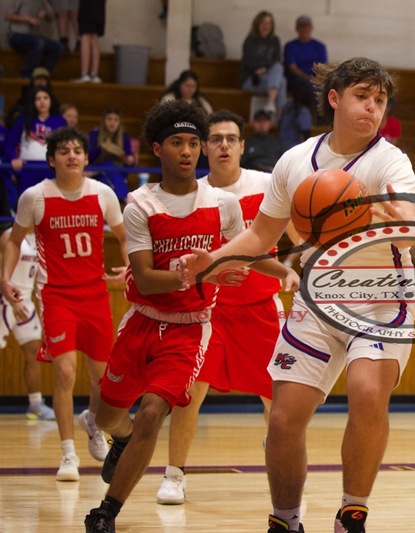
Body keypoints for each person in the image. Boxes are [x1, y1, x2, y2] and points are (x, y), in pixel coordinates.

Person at [178, 56, 415, 533]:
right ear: (334, 99)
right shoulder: (295, 161)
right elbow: (261, 235)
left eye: (380, 100)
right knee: (284, 419)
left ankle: (352, 512)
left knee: (367, 393)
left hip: (382, 297)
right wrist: (214, 259)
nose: (372, 108)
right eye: (362, 97)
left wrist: (398, 221)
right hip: (319, 295)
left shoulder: (391, 160)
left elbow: (409, 237)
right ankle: (285, 520)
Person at [83, 100, 244, 532]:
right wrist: (199, 270)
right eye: (178, 142)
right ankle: (119, 435)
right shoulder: (139, 204)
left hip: (189, 330)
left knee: (153, 411)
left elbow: (240, 253)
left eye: (194, 142)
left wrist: (262, 267)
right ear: (158, 148)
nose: (188, 151)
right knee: (106, 416)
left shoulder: (224, 204)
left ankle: (106, 511)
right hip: (141, 320)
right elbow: (144, 278)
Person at [155, 109, 298, 506]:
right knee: (189, 393)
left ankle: (284, 481)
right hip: (208, 311)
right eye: (214, 139)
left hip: (260, 307)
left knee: (280, 398)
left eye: (230, 139)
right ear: (204, 147)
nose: (222, 145)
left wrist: (294, 270)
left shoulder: (268, 185)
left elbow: (299, 238)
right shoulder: (192, 193)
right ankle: (173, 476)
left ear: (242, 146)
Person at [1, 126, 127, 482]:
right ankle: (68, 453)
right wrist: (6, 278)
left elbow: (124, 235)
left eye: (77, 150)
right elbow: (13, 240)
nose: (72, 156)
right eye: (64, 151)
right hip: (56, 295)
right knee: (65, 372)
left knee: (101, 378)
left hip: (95, 294)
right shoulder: (35, 197)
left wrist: (130, 266)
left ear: (86, 158)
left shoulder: (102, 193)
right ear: (52, 159)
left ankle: (92, 422)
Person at [0, 227, 54, 420]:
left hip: (26, 302)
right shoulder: (9, 236)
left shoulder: (38, 239)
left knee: (34, 351)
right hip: (5, 300)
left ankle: (35, 404)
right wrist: (12, 301)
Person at [6, 87, 68, 199]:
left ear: (51, 100)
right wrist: (13, 159)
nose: (42, 102)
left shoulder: (60, 121)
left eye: (45, 98)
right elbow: (10, 145)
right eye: (38, 99)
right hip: (27, 169)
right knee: (27, 205)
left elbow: (67, 146)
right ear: (33, 102)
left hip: (52, 169)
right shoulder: (23, 120)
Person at [240, 10, 286, 115]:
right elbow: (247, 63)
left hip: (269, 77)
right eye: (263, 23)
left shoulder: (275, 40)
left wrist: (264, 69)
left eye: (269, 23)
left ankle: (271, 104)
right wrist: (258, 70)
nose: (266, 26)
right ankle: (281, 114)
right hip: (251, 79)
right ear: (257, 24)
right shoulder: (250, 40)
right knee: (282, 82)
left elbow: (276, 60)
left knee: (278, 68)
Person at [4, 0, 64, 79]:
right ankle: (25, 75)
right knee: (38, 43)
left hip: (34, 37)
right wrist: (28, 19)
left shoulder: (42, 2)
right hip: (16, 35)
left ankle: (40, 75)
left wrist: (45, 14)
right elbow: (7, 16)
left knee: (58, 47)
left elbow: (51, 18)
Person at [88, 107, 134, 200]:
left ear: (120, 122)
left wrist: (128, 159)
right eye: (109, 119)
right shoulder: (94, 134)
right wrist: (101, 149)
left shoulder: (124, 136)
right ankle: (125, 198)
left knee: (108, 173)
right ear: (104, 120)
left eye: (116, 120)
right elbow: (89, 158)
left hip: (117, 173)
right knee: (107, 166)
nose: (112, 123)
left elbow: (129, 165)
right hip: (96, 172)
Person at [283, 15, 327, 96]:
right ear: (297, 29)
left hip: (316, 79)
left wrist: (316, 79)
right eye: (301, 27)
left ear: (311, 28)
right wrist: (308, 78)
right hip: (297, 79)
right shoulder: (290, 46)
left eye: (307, 27)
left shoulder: (320, 46)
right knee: (306, 86)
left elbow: (322, 67)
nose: (304, 29)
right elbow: (292, 68)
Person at [72, 0, 106, 83]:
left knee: (85, 36)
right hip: (99, 7)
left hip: (87, 6)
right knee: (94, 37)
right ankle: (94, 74)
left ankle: (85, 73)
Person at [279, 82, 314, 150]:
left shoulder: (286, 106)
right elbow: (306, 136)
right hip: (294, 149)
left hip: (281, 147)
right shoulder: (303, 112)